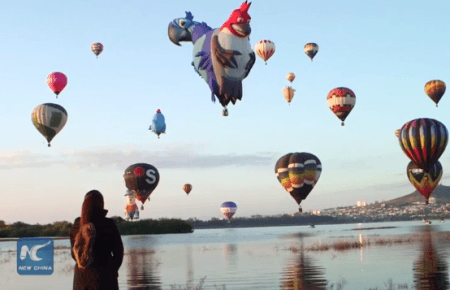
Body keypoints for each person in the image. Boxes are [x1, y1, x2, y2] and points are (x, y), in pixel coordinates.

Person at [70, 190, 124, 290]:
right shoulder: (108, 224)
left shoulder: (77, 225)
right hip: (105, 278)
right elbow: (119, 252)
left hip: (81, 279)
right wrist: (113, 270)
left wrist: (84, 262)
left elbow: (74, 254)